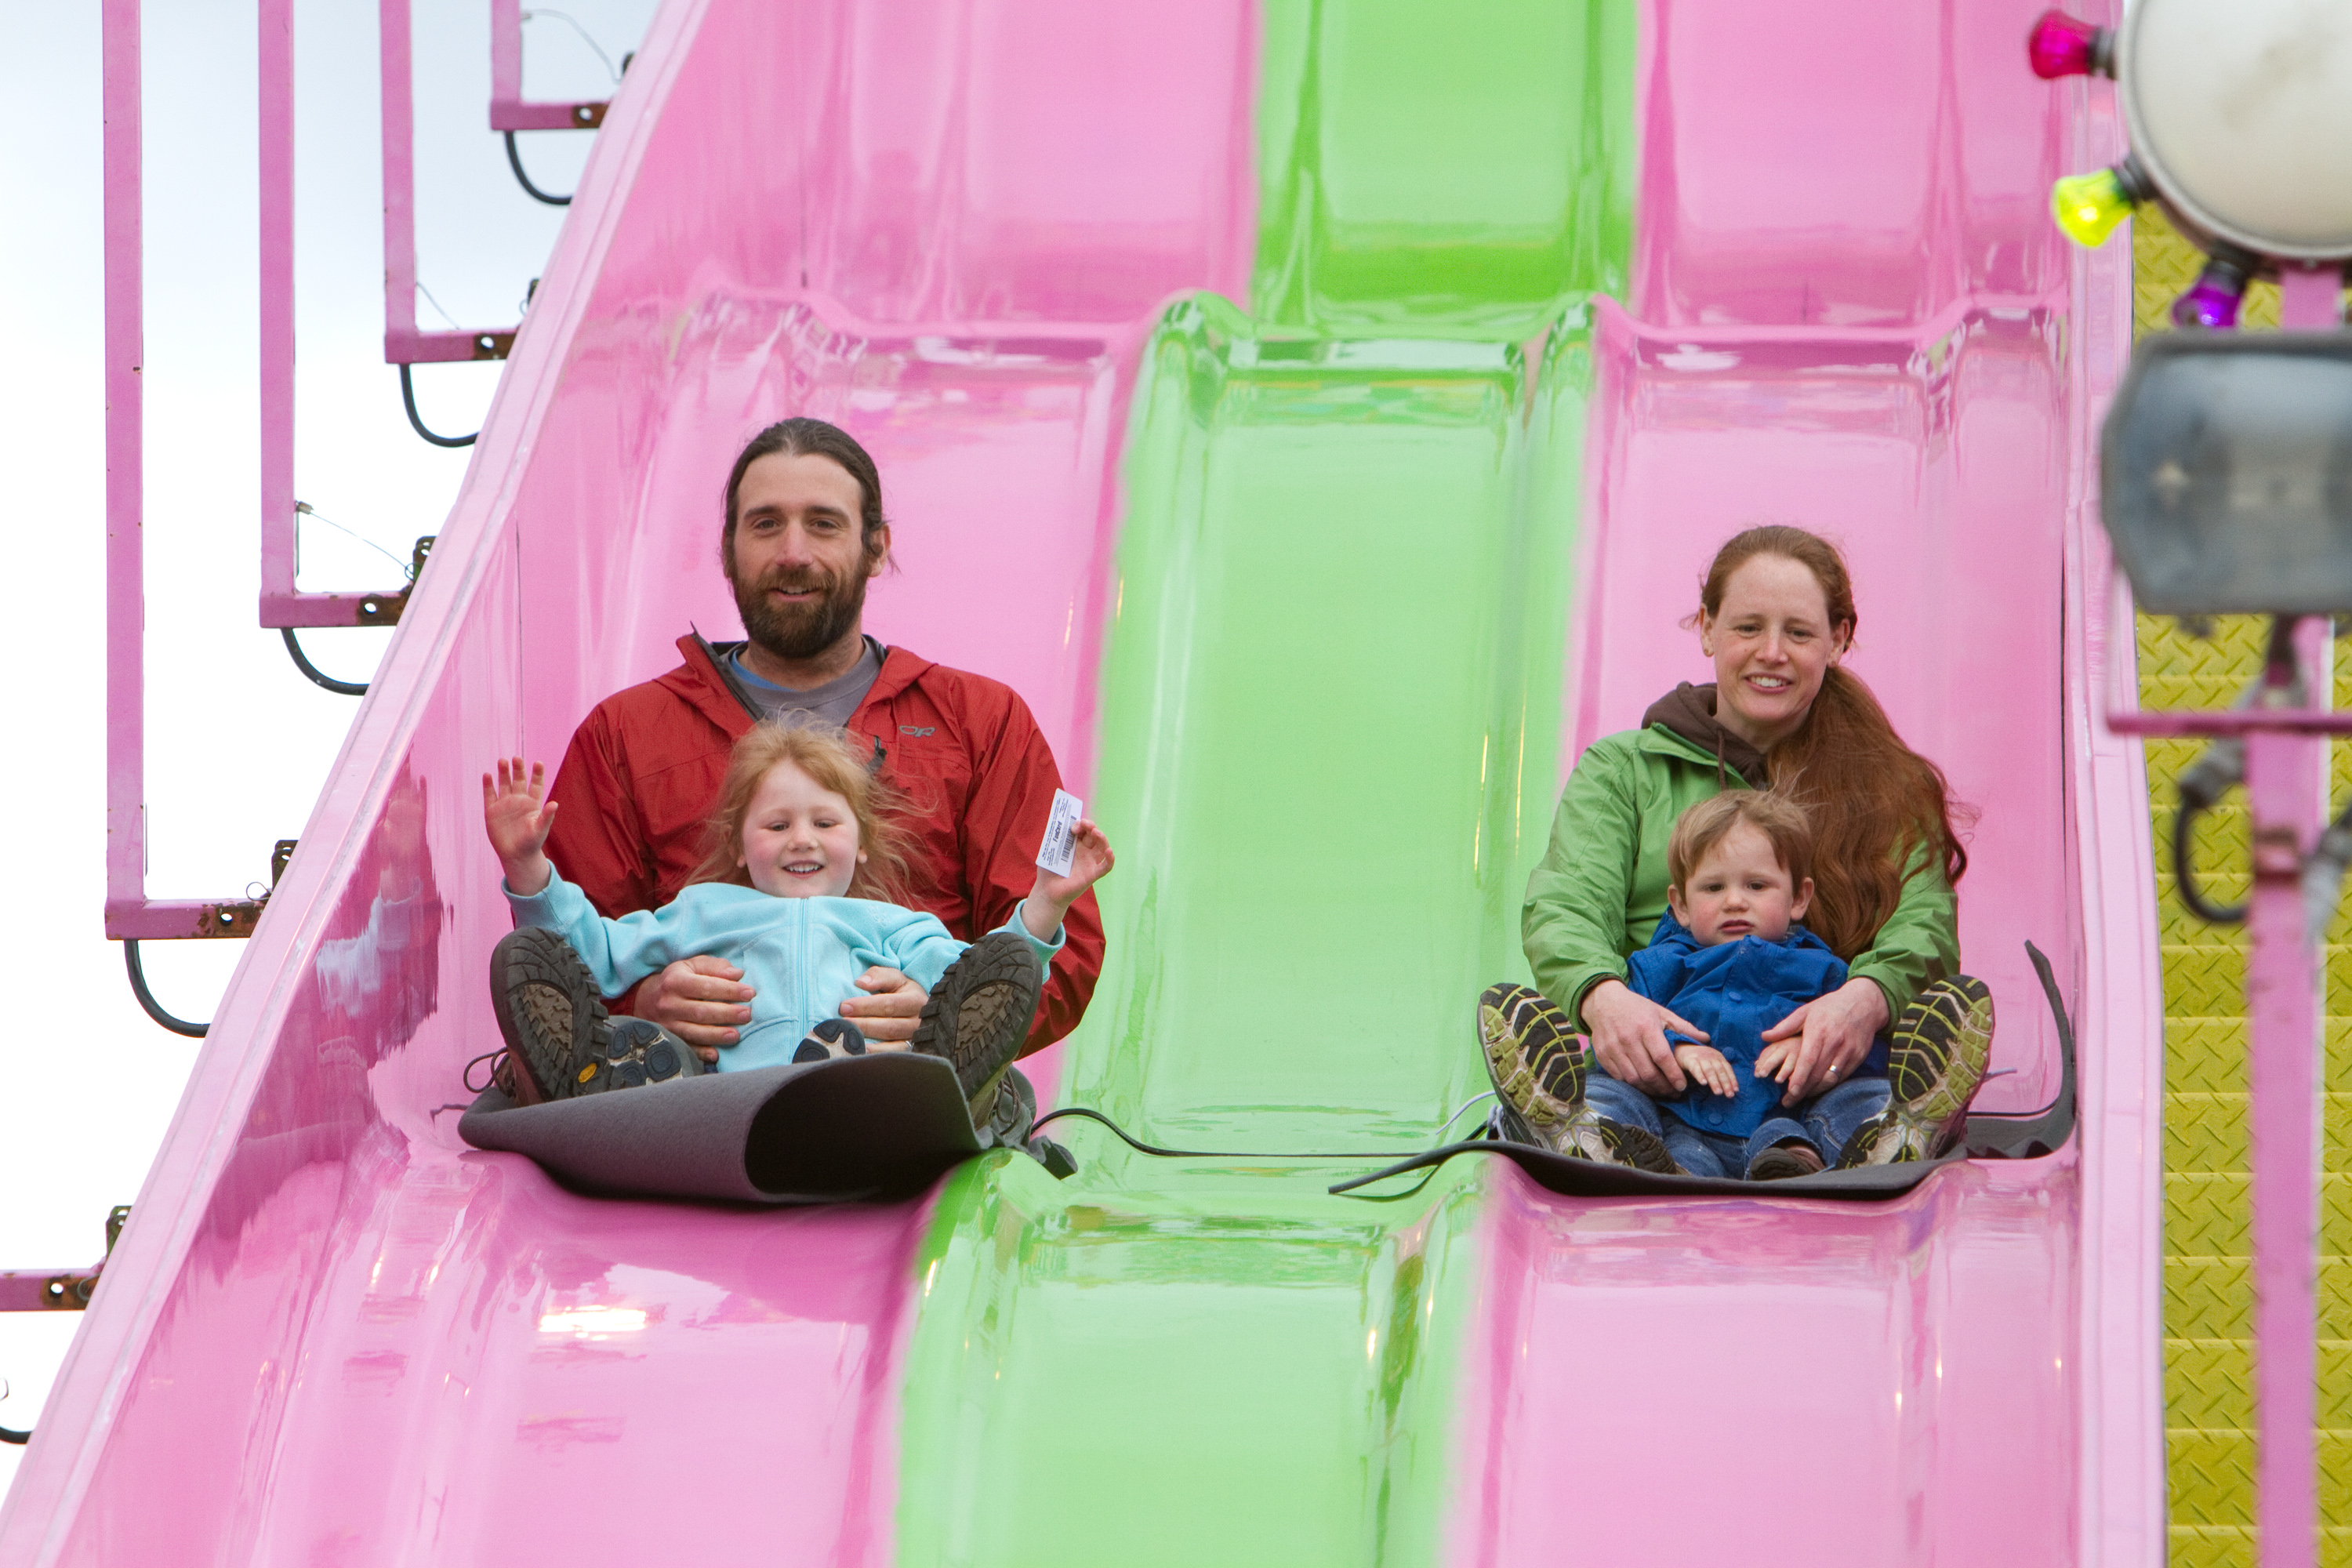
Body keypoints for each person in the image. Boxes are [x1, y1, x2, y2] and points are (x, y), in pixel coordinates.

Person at [542, 417, 1105, 1147]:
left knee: (945, 1060)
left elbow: (1065, 943)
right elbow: (574, 947)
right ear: (726, 549)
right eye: (766, 524)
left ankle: (966, 1092)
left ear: (877, 546)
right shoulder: (626, 733)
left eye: (824, 524)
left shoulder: (983, 720)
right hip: (701, 1121)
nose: (794, 553)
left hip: (910, 1105)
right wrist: (642, 1001)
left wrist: (951, 1015)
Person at [1478, 524, 1992, 1173]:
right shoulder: (1626, 771)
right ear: (1707, 629)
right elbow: (1566, 905)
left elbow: (1925, 924)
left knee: (1860, 1094)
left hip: (1810, 1078)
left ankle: (1893, 1131)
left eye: (1799, 633)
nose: (1771, 652)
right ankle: (1589, 1131)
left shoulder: (1887, 783)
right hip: (1668, 1071)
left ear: (1838, 640)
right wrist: (1605, 998)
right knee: (1618, 1097)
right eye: (1748, 627)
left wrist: (1865, 999)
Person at [481, 724, 1115, 1136]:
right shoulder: (703, 910)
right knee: (635, 1041)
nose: (802, 839)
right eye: (777, 825)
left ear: (862, 844)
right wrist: (529, 867)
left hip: (860, 1112)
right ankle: (605, 1086)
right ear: (739, 842)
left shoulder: (892, 926)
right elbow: (595, 955)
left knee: (939, 1034)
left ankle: (933, 1094)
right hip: (717, 1112)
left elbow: (980, 981)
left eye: (825, 824)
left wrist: (1045, 906)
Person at [1628, 792, 1926, 1181]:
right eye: (1713, 888)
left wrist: (1812, 1047)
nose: (1734, 901)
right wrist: (1677, 1049)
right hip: (1686, 1127)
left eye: (1756, 885)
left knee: (1830, 1113)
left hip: (1788, 1124)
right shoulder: (1661, 967)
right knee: (1650, 1127)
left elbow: (1860, 1048)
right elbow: (1617, 1047)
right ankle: (1626, 1156)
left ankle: (1887, 1140)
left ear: (1799, 899)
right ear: (1681, 904)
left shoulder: (1822, 972)